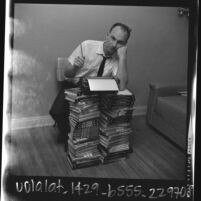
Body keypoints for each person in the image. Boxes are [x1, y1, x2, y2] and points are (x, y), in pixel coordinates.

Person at [49, 22, 132, 145]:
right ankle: (68, 134)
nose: (115, 45)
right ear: (107, 35)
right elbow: (67, 73)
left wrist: (123, 58)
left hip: (97, 91)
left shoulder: (118, 57)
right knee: (56, 112)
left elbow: (122, 86)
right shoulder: (87, 45)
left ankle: (86, 139)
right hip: (74, 85)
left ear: (124, 44)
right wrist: (75, 67)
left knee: (100, 117)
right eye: (113, 38)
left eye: (120, 42)